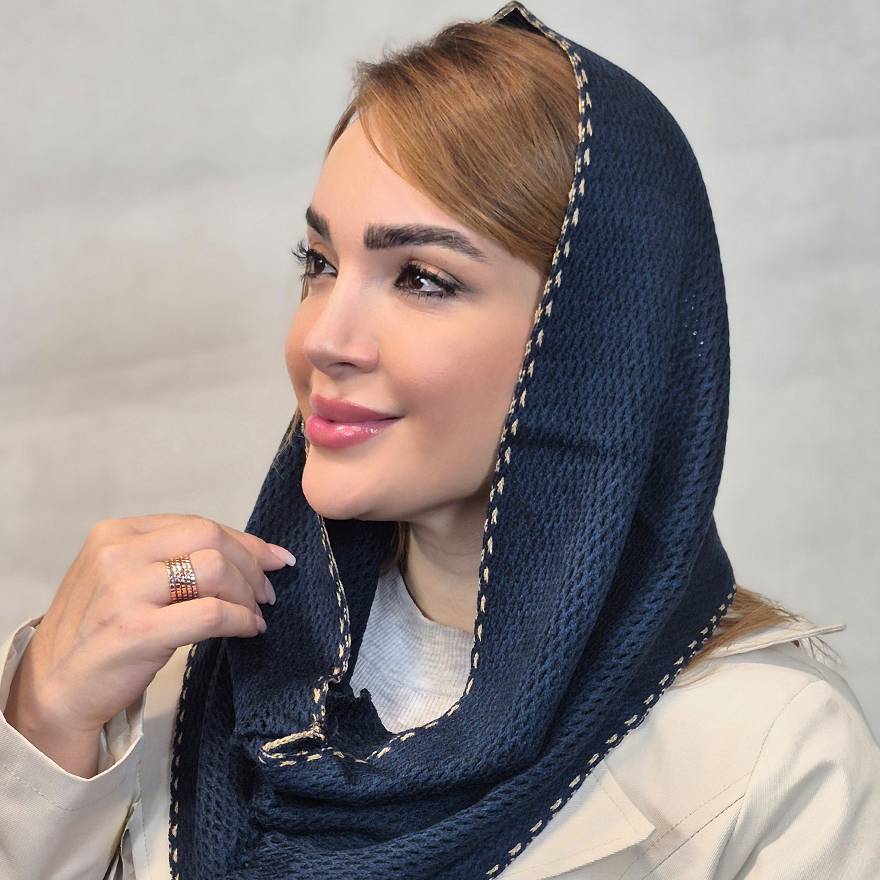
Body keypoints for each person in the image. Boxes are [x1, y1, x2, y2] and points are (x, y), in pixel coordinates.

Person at [1, 2, 878, 878]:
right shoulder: (184, 671)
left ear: (598, 338)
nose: (323, 339)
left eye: (422, 278)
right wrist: (46, 733)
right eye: (320, 263)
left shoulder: (769, 759)